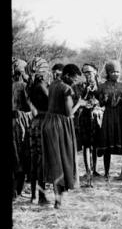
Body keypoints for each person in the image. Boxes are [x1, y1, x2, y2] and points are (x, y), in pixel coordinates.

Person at [41, 64, 84, 208]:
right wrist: (80, 103)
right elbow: (69, 113)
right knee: (63, 160)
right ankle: (58, 200)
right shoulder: (67, 89)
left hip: (48, 123)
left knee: (55, 161)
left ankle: (57, 198)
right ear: (66, 76)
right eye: (74, 78)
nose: (75, 81)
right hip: (60, 126)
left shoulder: (53, 85)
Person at [97, 60, 122, 180]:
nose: (115, 74)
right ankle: (106, 172)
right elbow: (100, 103)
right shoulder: (102, 86)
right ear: (108, 73)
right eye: (113, 72)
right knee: (107, 144)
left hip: (121, 117)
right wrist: (104, 99)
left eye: (117, 72)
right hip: (108, 117)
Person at [26, 57, 50, 204]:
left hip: (34, 123)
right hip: (43, 123)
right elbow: (51, 102)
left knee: (34, 160)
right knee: (41, 161)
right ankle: (41, 196)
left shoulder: (30, 85)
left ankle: (34, 195)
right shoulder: (41, 85)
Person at [74, 63, 103, 180]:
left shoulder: (101, 85)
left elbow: (103, 100)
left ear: (95, 71)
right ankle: (88, 170)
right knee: (86, 144)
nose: (87, 75)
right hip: (85, 116)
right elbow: (79, 100)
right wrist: (86, 91)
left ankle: (94, 168)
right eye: (85, 73)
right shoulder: (81, 86)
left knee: (95, 144)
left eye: (89, 72)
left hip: (97, 116)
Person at [12, 58, 32, 198]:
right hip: (21, 121)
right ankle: (18, 189)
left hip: (17, 120)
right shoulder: (24, 86)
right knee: (21, 154)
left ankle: (16, 190)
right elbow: (28, 106)